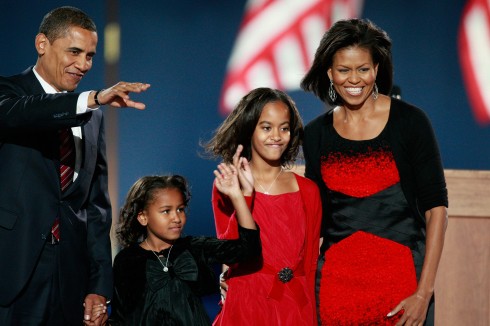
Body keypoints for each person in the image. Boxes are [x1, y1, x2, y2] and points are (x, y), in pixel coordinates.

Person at [0, 6, 150, 326]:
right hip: (11, 273)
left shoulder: (92, 116)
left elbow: (95, 208)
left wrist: (98, 286)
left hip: (69, 278)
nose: (83, 65)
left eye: (90, 56)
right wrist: (91, 99)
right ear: (42, 44)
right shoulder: (8, 94)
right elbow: (25, 113)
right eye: (75, 52)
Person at [300, 18, 448, 325]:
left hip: (403, 291)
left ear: (376, 70)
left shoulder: (410, 122)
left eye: (363, 69)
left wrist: (424, 293)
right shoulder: (315, 134)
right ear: (330, 72)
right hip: (334, 292)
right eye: (344, 70)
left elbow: (437, 210)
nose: (354, 79)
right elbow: (310, 223)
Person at [204, 87, 322, 325]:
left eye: (284, 128)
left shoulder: (308, 190)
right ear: (249, 129)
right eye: (266, 127)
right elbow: (229, 249)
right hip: (247, 301)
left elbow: (310, 262)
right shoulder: (227, 184)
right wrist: (242, 197)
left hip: (295, 305)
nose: (276, 136)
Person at [110, 170, 261, 325]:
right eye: (166, 211)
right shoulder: (126, 259)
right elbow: (121, 316)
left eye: (180, 209)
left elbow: (247, 250)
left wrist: (239, 196)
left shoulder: (195, 247)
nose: (176, 218)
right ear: (143, 217)